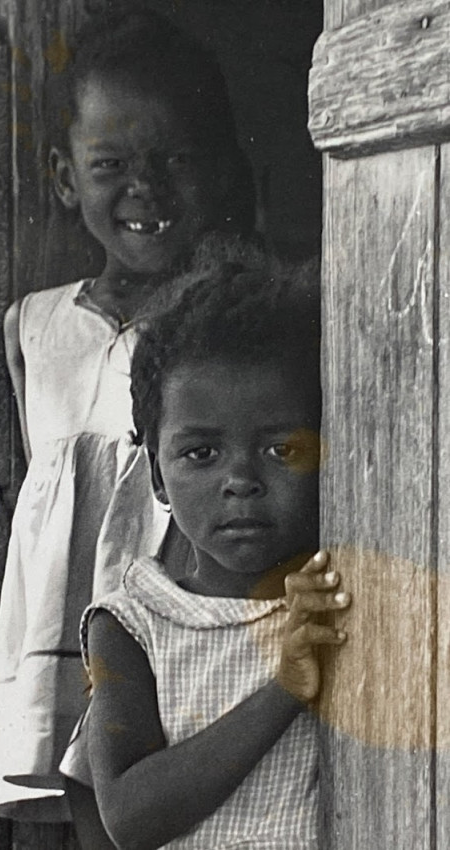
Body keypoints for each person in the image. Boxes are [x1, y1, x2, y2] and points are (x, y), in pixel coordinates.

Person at [0, 8, 256, 826]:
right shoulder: (32, 328)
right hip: (65, 657)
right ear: (65, 178)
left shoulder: (228, 322)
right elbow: (40, 522)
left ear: (219, 168)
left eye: (174, 159)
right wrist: (1, 682)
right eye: (110, 164)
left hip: (174, 646)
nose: (143, 186)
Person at [63, 266, 352, 848]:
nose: (241, 480)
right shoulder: (133, 624)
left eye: (281, 449)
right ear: (157, 477)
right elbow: (128, 817)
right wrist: (285, 689)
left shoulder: (338, 596)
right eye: (201, 453)